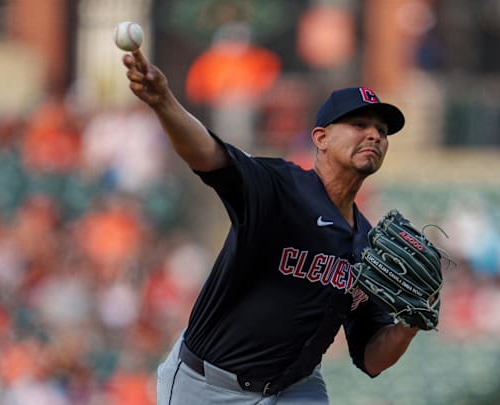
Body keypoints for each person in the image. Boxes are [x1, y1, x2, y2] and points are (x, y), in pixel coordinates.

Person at [122, 49, 423, 404]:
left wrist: (409, 324)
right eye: (359, 125)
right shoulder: (280, 188)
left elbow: (371, 358)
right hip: (208, 385)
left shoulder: (368, 246)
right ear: (321, 138)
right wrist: (164, 104)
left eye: (382, 131)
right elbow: (209, 156)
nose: (374, 135)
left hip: (294, 388)